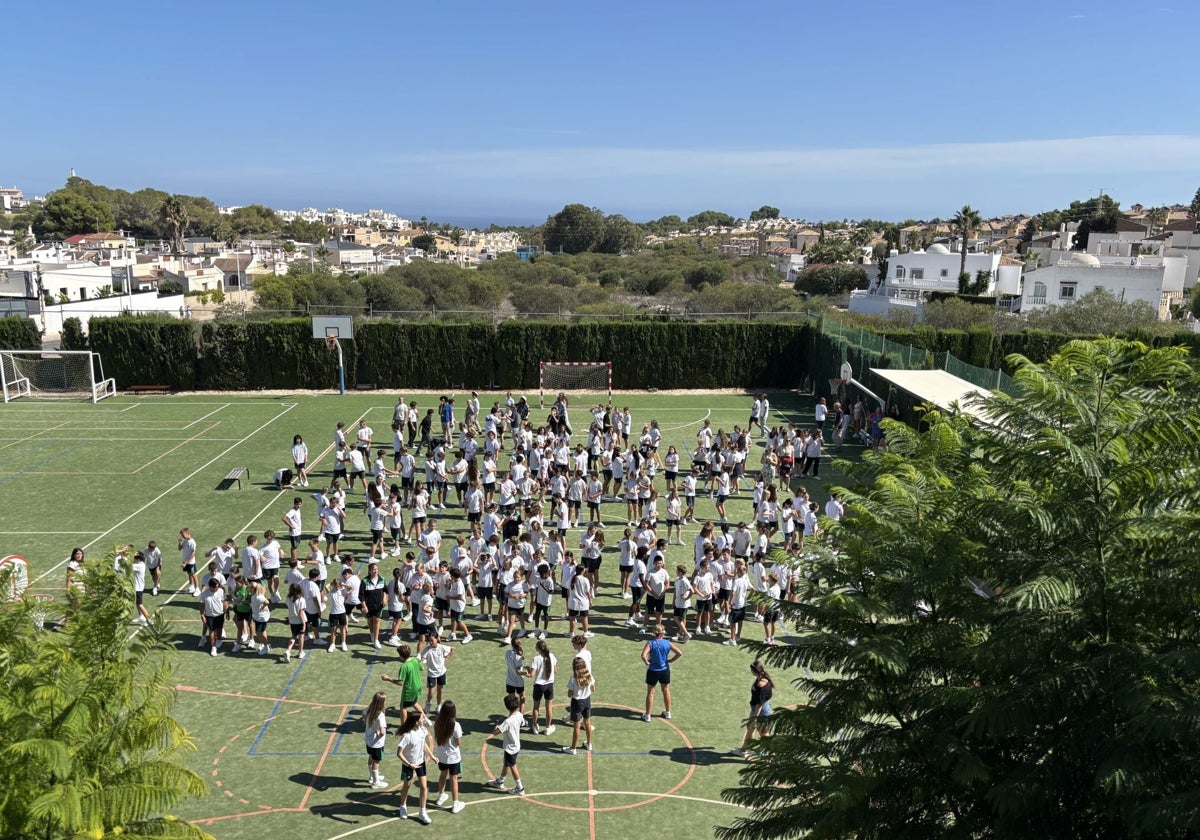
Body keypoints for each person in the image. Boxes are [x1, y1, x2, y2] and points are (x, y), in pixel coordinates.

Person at [394, 707, 434, 824]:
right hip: (408, 765)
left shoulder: (422, 730)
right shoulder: (407, 735)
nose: (424, 718)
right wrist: (409, 764)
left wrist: (431, 755)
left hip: (420, 762)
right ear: (416, 721)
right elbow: (399, 753)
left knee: (424, 786)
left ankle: (422, 812)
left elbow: (423, 744)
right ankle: (403, 806)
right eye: (422, 717)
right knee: (407, 785)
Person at [485, 694, 526, 795]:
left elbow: (495, 732)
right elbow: (523, 723)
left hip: (510, 748)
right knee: (507, 763)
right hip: (516, 745)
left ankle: (520, 788)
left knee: (512, 766)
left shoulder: (507, 722)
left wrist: (499, 722)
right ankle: (500, 781)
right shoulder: (519, 715)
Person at [641, 624, 682, 722]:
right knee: (666, 690)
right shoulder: (667, 643)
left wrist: (647, 663)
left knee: (651, 692)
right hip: (664, 670)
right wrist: (670, 660)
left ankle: (647, 715)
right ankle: (667, 712)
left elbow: (643, 655)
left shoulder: (650, 643)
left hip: (653, 671)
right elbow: (679, 653)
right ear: (663, 633)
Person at [433, 700, 467, 814]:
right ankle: (455, 803)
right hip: (453, 757)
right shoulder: (456, 725)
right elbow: (459, 742)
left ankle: (441, 795)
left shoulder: (437, 722)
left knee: (442, 775)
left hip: (441, 756)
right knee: (454, 779)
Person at [737, 661, 774, 757]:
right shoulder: (763, 679)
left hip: (761, 712)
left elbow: (760, 704)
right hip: (758, 710)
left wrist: (755, 718)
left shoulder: (761, 685)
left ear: (755, 671)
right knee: (750, 729)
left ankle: (771, 754)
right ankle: (744, 750)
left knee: (763, 734)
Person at [382, 644, 425, 726]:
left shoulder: (404, 667)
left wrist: (388, 679)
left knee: (403, 707)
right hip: (418, 686)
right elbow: (422, 668)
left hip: (410, 690)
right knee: (414, 703)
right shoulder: (415, 660)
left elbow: (401, 683)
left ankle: (403, 727)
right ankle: (424, 718)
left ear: (401, 656)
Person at [562, 656, 595, 755]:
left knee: (576, 726)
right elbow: (593, 689)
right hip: (587, 700)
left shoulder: (573, 679)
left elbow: (569, 694)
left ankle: (573, 748)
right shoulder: (589, 676)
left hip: (577, 702)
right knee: (587, 722)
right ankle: (589, 744)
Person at [420, 629, 453, 712]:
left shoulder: (442, 647)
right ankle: (428, 704)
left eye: (432, 640)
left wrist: (448, 657)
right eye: (429, 641)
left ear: (437, 638)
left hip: (441, 673)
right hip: (431, 674)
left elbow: (453, 649)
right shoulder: (427, 649)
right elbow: (422, 659)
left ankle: (438, 706)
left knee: (440, 691)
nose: (430, 642)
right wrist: (420, 664)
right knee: (431, 693)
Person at [529, 638, 557, 736]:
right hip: (549, 685)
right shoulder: (552, 656)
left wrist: (526, 672)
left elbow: (532, 674)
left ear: (538, 649)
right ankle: (548, 727)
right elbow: (555, 670)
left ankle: (535, 726)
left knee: (536, 707)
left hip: (539, 686)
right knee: (549, 708)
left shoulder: (536, 659)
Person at [364, 691, 389, 789]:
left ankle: (372, 777)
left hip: (368, 739)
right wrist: (378, 733)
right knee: (376, 761)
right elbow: (382, 731)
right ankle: (375, 782)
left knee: (371, 758)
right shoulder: (381, 715)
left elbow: (363, 714)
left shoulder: (369, 709)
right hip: (377, 743)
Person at [200, 576, 227, 656]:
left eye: (218, 587)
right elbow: (202, 605)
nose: (217, 589)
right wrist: (202, 614)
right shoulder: (204, 594)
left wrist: (227, 611)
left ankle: (219, 640)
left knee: (219, 629)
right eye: (216, 587)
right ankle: (213, 647)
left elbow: (224, 601)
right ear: (210, 586)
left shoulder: (221, 591)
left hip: (220, 614)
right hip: (209, 615)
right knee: (211, 631)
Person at [283, 582, 307, 663]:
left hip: (292, 621)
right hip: (300, 621)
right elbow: (300, 613)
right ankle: (300, 652)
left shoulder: (288, 598)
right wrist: (303, 623)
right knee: (301, 637)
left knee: (293, 636)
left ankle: (288, 650)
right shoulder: (301, 600)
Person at [179, 527, 199, 596]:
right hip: (185, 561)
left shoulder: (192, 542)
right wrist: (179, 543)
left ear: (188, 533)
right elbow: (179, 548)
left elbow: (193, 553)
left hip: (191, 562)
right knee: (189, 574)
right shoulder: (185, 541)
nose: (182, 536)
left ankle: (197, 589)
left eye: (183, 535)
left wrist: (186, 562)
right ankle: (191, 587)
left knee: (193, 574)